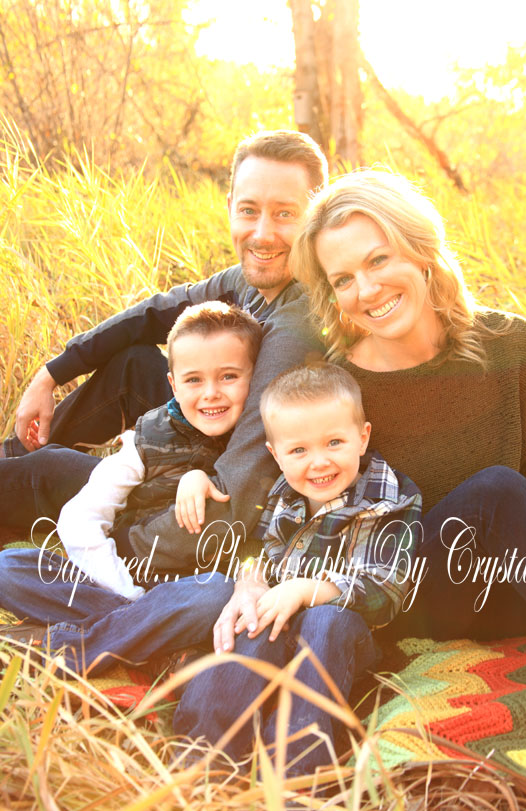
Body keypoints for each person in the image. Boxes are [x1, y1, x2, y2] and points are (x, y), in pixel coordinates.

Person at [12, 363, 421, 776]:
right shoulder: (281, 492)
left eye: (334, 442)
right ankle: (205, 761)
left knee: (324, 620)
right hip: (273, 623)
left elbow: (386, 589)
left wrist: (305, 590)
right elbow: (254, 547)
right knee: (247, 625)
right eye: (299, 451)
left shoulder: (389, 498)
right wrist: (249, 581)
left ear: (362, 437)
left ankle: (297, 772)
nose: (318, 462)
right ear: (275, 455)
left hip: (340, 640)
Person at [0, 129, 326, 587]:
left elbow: (238, 492)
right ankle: (12, 457)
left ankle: (22, 480)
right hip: (205, 435)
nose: (262, 233)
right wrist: (51, 373)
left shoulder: (295, 329)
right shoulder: (249, 280)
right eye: (249, 210)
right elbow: (153, 314)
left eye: (285, 214)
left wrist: (122, 545)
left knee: (48, 470)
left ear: (316, 215)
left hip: (202, 499)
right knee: (134, 366)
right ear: (230, 206)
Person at [288, 169, 526, 645]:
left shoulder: (511, 342)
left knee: (507, 494)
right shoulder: (339, 388)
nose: (367, 290)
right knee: (497, 489)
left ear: (420, 248)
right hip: (405, 598)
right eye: (343, 279)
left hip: (511, 595)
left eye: (378, 259)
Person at [57, 301, 262, 600]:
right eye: (193, 380)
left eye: (228, 376)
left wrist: (199, 478)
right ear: (173, 385)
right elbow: (79, 519)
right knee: (11, 567)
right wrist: (128, 595)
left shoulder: (258, 442)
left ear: (256, 377)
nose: (211, 393)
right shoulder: (147, 441)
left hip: (207, 592)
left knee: (212, 595)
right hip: (131, 582)